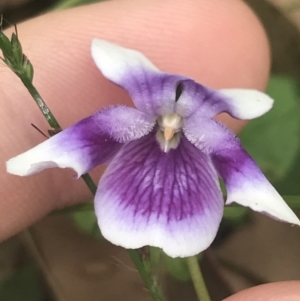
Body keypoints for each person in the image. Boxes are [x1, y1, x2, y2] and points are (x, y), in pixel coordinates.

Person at [1, 0, 299, 299]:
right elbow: (75, 144)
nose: (168, 130)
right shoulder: (122, 123)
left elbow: (249, 181)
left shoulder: (211, 137)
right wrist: (37, 157)